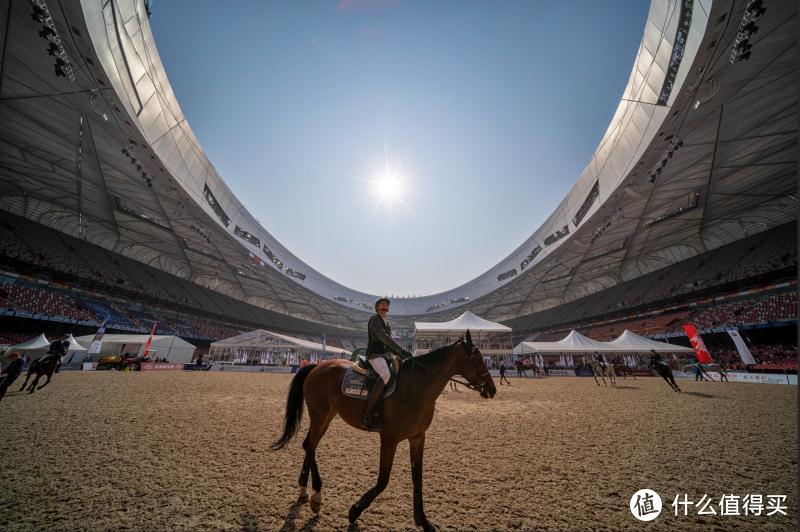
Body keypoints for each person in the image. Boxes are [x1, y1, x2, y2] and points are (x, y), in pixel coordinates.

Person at [362, 298, 412, 430]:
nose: (385, 306)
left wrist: (399, 355)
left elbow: (387, 344)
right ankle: (368, 414)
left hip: (385, 355)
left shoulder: (386, 322)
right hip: (374, 355)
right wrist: (401, 351)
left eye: (387, 305)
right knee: (385, 374)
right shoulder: (375, 320)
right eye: (382, 304)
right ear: (377, 307)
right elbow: (384, 338)